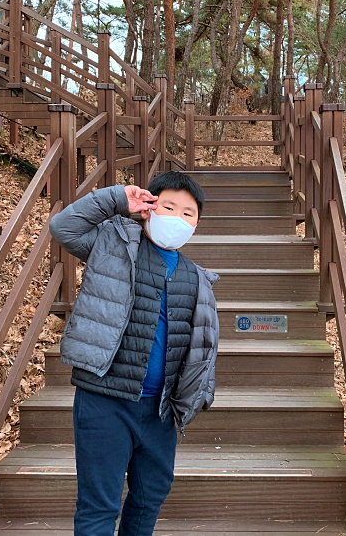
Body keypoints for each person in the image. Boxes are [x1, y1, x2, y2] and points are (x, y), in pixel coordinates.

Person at [49, 171, 219, 536]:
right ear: (148, 209)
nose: (177, 217)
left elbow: (202, 344)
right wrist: (115, 200)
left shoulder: (197, 278)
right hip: (105, 400)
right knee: (100, 505)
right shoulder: (113, 244)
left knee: (150, 496)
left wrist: (197, 395)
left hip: (160, 410)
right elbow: (64, 228)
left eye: (187, 213)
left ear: (196, 224)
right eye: (168, 207)